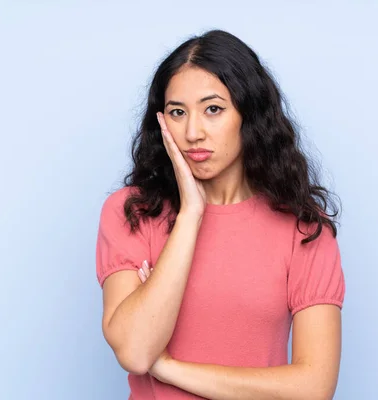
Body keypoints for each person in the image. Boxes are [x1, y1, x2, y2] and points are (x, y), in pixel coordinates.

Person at [96, 29, 346, 400]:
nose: (193, 132)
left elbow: (313, 388)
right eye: (178, 113)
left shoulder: (303, 229)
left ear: (249, 114)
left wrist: (169, 368)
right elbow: (135, 351)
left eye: (213, 109)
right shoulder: (132, 212)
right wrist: (191, 215)